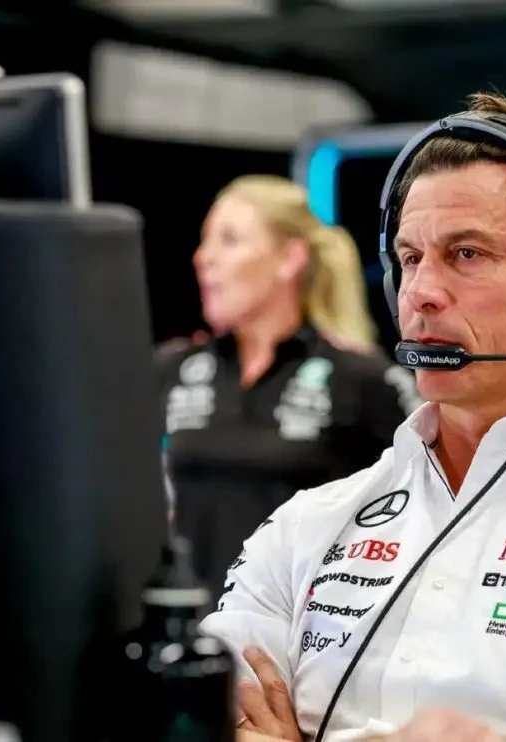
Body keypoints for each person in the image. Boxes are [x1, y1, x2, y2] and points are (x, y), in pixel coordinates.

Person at [200, 93, 506, 742]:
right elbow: (207, 713)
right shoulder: (308, 527)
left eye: (468, 254)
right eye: (410, 258)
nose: (422, 293)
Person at [158, 175, 422, 583]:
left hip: (306, 617)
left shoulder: (362, 378)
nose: (203, 257)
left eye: (229, 240)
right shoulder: (174, 367)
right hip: (194, 619)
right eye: (205, 241)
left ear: (289, 259)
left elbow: (430, 501)